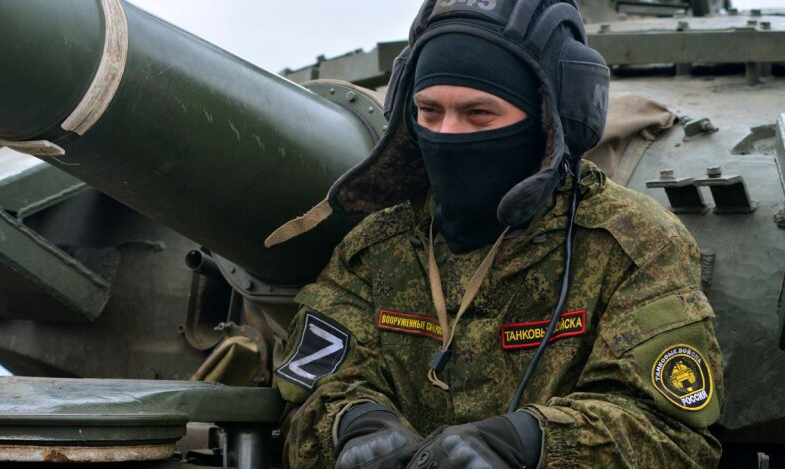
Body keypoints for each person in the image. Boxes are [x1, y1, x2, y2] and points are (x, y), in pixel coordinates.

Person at [268, 1, 724, 467]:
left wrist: (529, 444)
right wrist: (352, 424)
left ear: (548, 119)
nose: (448, 134)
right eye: (429, 111)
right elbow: (313, 391)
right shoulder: (375, 248)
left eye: (479, 115)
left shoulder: (631, 243)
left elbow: (671, 433)